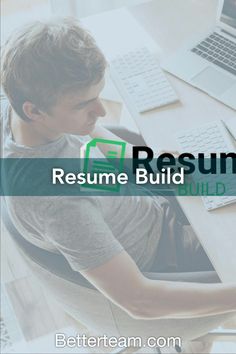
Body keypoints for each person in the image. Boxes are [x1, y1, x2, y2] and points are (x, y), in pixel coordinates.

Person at [1, 17, 236, 328]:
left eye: (98, 96)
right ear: (34, 110)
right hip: (169, 258)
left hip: (149, 207)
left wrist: (198, 172)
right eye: (84, 105)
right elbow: (140, 301)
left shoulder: (23, 110)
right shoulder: (57, 201)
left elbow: (116, 152)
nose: (99, 112)